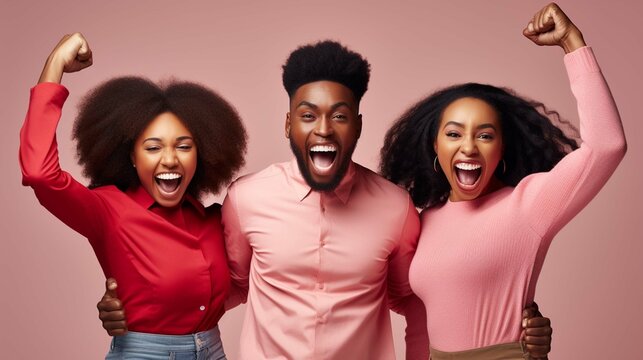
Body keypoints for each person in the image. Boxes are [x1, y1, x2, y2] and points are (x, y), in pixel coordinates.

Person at [97, 40, 554, 359]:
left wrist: (510, 331)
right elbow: (228, 287)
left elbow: (415, 298)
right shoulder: (247, 198)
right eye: (308, 115)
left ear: (356, 125)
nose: (323, 129)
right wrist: (141, 311)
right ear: (288, 125)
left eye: (338, 116)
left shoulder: (396, 207)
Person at [379, 3, 626, 359]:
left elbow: (607, 145)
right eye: (454, 134)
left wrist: (573, 44)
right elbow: (415, 306)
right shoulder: (426, 218)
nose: (468, 147)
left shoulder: (527, 206)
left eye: (484, 135)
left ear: (501, 147)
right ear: (435, 144)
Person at [19, 33, 247, 359]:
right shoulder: (111, 211)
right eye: (153, 147)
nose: (169, 159)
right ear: (132, 157)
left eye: (184, 146)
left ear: (203, 154)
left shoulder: (214, 218)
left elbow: (247, 282)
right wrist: (55, 63)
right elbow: (39, 173)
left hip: (214, 350)